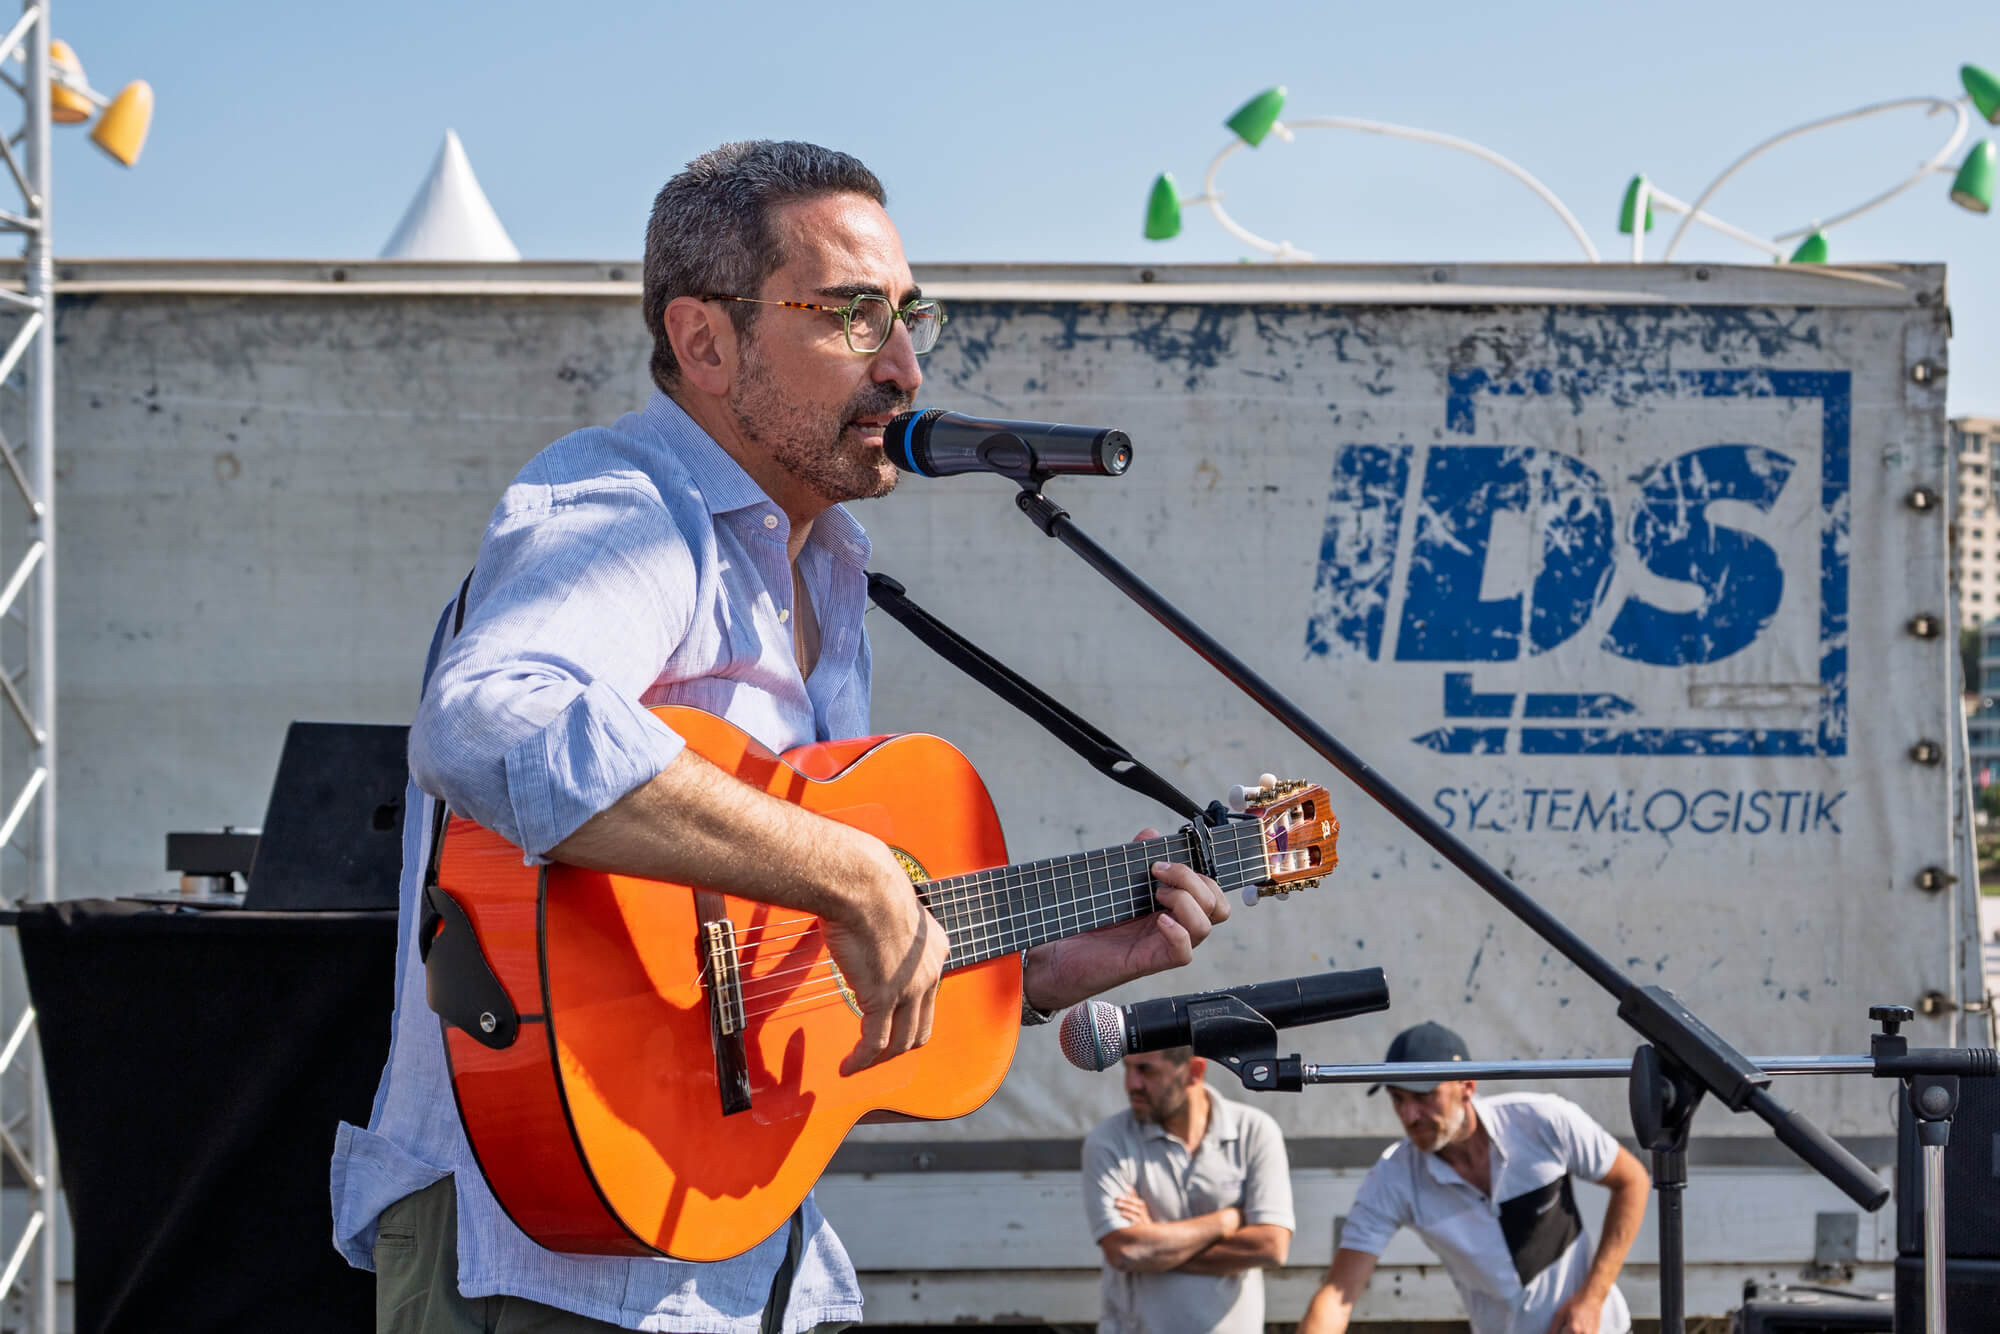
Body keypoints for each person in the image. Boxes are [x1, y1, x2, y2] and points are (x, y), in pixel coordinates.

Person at [328, 139, 1233, 1334]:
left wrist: (1024, 967)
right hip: (546, 1255)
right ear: (705, 340)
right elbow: (489, 714)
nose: (903, 366)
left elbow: (780, 966)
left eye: (910, 317)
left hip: (741, 1248)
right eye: (854, 317)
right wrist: (851, 869)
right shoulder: (630, 503)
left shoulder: (828, 577)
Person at [1299, 1022, 1649, 1334]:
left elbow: (1633, 1180)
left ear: (1466, 1086)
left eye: (1423, 1095)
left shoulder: (1541, 1121)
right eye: (1397, 1098)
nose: (1409, 1114)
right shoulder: (1393, 1176)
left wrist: (1592, 1299)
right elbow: (1337, 1296)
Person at [1082, 1047, 1295, 1334]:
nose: (1131, 1084)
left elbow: (1271, 1247)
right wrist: (1225, 1221)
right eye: (1127, 1068)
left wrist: (1154, 1245)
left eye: (1146, 1070)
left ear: (1194, 1071)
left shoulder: (1254, 1131)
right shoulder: (1109, 1139)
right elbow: (1124, 1250)